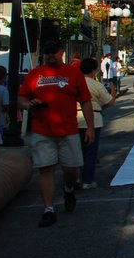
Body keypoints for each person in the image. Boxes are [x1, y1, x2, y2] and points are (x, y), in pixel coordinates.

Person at [19, 40, 94, 228]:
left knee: (72, 170)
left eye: (53, 51)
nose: (50, 55)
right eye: (47, 51)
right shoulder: (35, 74)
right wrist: (28, 105)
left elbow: (85, 101)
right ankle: (48, 209)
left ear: (61, 52)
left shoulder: (73, 74)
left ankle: (68, 189)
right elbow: (22, 97)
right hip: (42, 130)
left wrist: (90, 127)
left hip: (68, 130)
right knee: (46, 169)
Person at [77, 58, 116, 189]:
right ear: (93, 71)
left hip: (75, 118)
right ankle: (87, 180)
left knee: (76, 150)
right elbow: (110, 101)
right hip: (93, 119)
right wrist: (113, 89)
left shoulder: (75, 83)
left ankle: (76, 178)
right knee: (90, 152)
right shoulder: (96, 85)